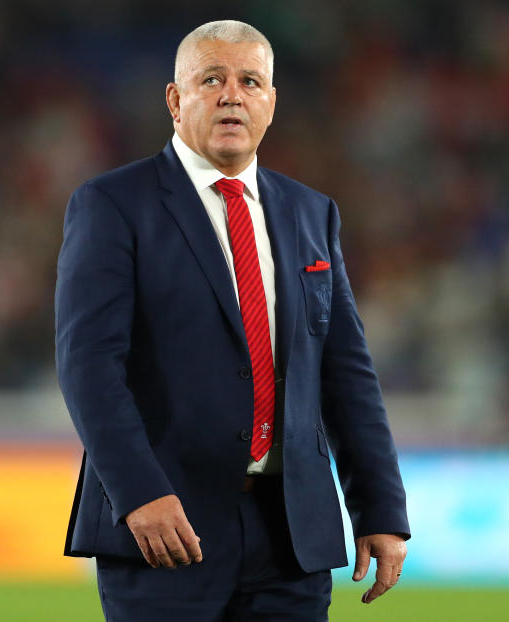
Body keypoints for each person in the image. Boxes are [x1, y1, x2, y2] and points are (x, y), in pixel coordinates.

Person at [55, 20, 410, 621]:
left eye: (250, 81)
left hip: (291, 536)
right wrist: (140, 492)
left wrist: (378, 508)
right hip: (166, 532)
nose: (231, 95)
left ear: (271, 102)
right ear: (175, 98)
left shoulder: (310, 213)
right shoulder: (113, 205)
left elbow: (346, 373)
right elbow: (88, 367)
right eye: (212, 78)